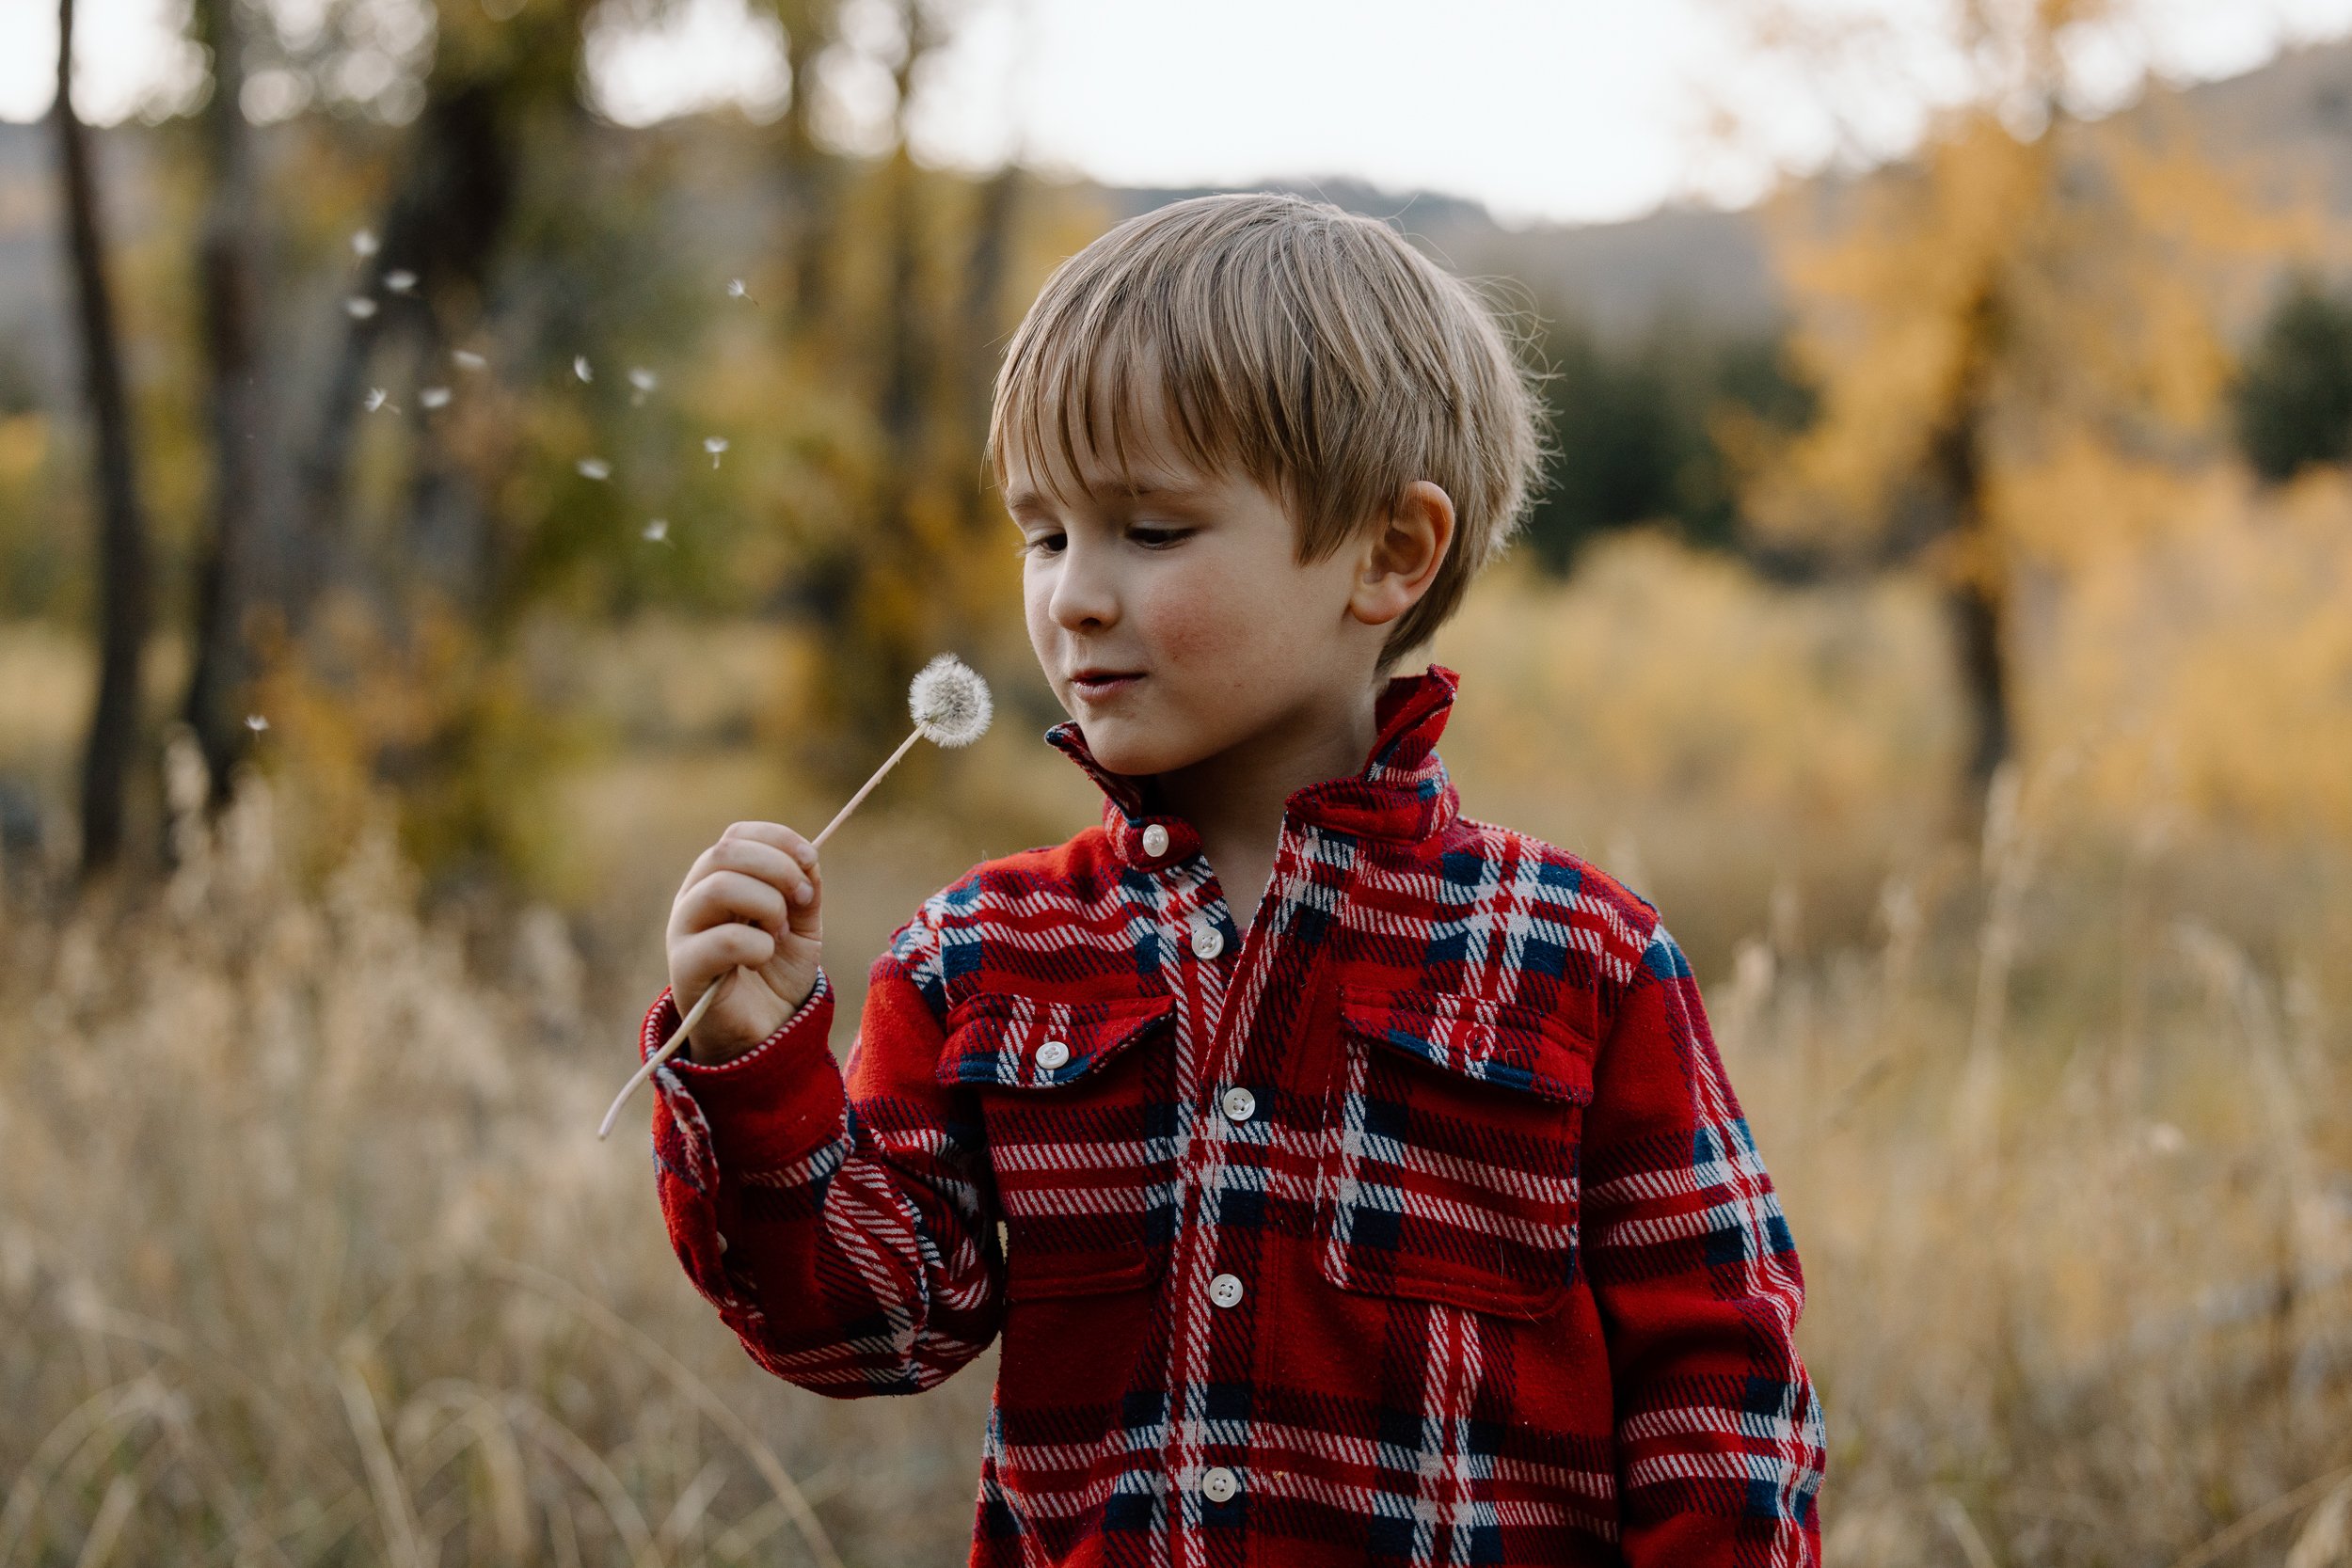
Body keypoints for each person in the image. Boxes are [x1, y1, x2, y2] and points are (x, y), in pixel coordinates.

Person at [639, 191, 1825, 1566]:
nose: (1075, 595)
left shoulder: (1577, 957)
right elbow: (874, 1324)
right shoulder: (980, 954)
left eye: (1149, 532)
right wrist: (751, 1063)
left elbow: (1720, 1397)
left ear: (1390, 554)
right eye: (1044, 534)